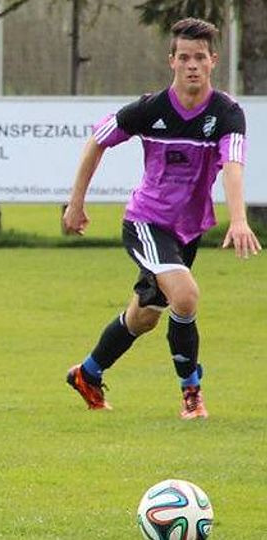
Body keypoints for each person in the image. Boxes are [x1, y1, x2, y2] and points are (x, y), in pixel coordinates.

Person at [63, 17, 260, 419]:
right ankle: (192, 394)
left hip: (187, 230)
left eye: (200, 57)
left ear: (212, 62)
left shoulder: (226, 113)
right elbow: (96, 142)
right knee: (185, 296)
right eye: (184, 57)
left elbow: (234, 165)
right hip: (146, 222)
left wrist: (238, 219)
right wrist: (76, 202)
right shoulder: (150, 109)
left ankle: (88, 372)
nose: (192, 64)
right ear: (171, 61)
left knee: (145, 317)